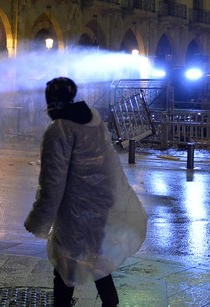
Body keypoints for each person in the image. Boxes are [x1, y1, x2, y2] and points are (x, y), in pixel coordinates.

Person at [24, 77, 147, 307]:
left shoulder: (58, 131)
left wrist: (38, 221)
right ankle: (111, 303)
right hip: (99, 209)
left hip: (74, 214)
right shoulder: (94, 123)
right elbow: (109, 167)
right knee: (98, 260)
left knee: (64, 267)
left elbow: (52, 183)